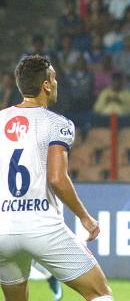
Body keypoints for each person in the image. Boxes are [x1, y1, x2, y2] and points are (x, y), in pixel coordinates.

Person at [0, 55, 113, 301]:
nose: (56, 81)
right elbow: (57, 178)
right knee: (100, 292)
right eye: (54, 77)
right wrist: (85, 218)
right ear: (46, 85)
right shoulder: (57, 124)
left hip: (3, 231)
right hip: (42, 227)